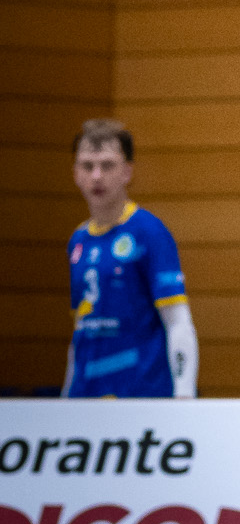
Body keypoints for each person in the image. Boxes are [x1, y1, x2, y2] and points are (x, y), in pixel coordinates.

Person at [65, 117, 198, 399]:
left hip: (140, 395)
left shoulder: (149, 232)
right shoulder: (78, 241)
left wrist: (185, 395)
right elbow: (80, 329)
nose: (97, 176)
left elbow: (177, 320)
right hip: (87, 397)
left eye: (108, 165)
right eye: (88, 166)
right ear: (76, 173)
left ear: (127, 172)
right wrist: (66, 399)